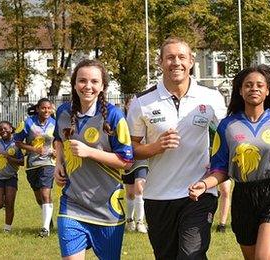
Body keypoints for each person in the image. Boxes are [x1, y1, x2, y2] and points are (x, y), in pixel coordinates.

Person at [188, 65, 270, 260]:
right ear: (240, 91)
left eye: (259, 85)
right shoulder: (227, 126)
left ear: (267, 91)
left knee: (263, 257)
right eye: (248, 85)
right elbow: (221, 169)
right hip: (243, 197)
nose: (254, 88)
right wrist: (204, 184)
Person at [126, 37, 227, 259]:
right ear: (160, 62)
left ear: (191, 61)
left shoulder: (211, 97)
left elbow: (229, 137)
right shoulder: (142, 102)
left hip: (199, 193)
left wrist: (217, 169)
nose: (176, 62)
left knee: (191, 254)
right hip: (158, 196)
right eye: (170, 57)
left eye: (182, 57)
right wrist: (155, 147)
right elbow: (128, 149)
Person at [53, 59, 134, 259]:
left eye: (94, 81)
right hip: (72, 204)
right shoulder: (63, 112)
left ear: (102, 86)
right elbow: (58, 140)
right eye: (82, 80)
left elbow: (126, 161)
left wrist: (90, 152)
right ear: (74, 84)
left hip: (106, 209)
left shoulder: (114, 117)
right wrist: (58, 164)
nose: (87, 86)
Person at [14, 98, 57, 237]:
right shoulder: (27, 123)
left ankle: (45, 229)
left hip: (49, 163)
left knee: (46, 194)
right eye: (43, 108)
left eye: (49, 108)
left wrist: (57, 151)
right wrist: (33, 149)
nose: (46, 111)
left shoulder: (55, 123)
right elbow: (18, 142)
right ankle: (48, 219)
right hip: (32, 164)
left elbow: (58, 141)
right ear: (38, 109)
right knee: (39, 198)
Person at [0, 120, 24, 233]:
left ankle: (7, 228)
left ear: (11, 129)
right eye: (0, 129)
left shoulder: (16, 144)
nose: (3, 131)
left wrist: (11, 159)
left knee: (10, 203)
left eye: (5, 128)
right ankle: (2, 202)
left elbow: (22, 162)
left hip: (11, 177)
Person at [121, 97, 148, 234]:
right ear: (126, 106)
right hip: (126, 159)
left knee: (139, 188)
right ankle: (129, 219)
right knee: (130, 192)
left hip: (141, 158)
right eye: (129, 103)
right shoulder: (121, 120)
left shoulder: (144, 117)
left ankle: (140, 222)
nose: (132, 106)